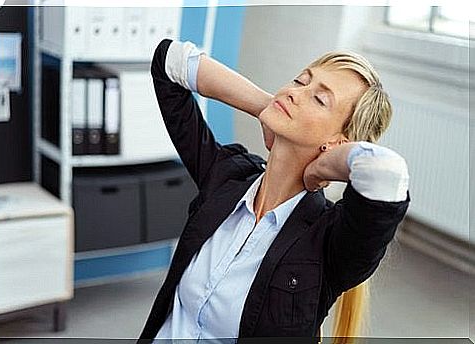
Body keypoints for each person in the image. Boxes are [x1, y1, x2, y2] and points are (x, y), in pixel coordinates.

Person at [138, 39, 410, 343]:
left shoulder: (329, 242)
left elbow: (385, 172)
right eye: (300, 80)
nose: (294, 92)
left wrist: (322, 166)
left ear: (339, 143)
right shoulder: (228, 174)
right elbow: (170, 61)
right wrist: (266, 106)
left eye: (319, 99)